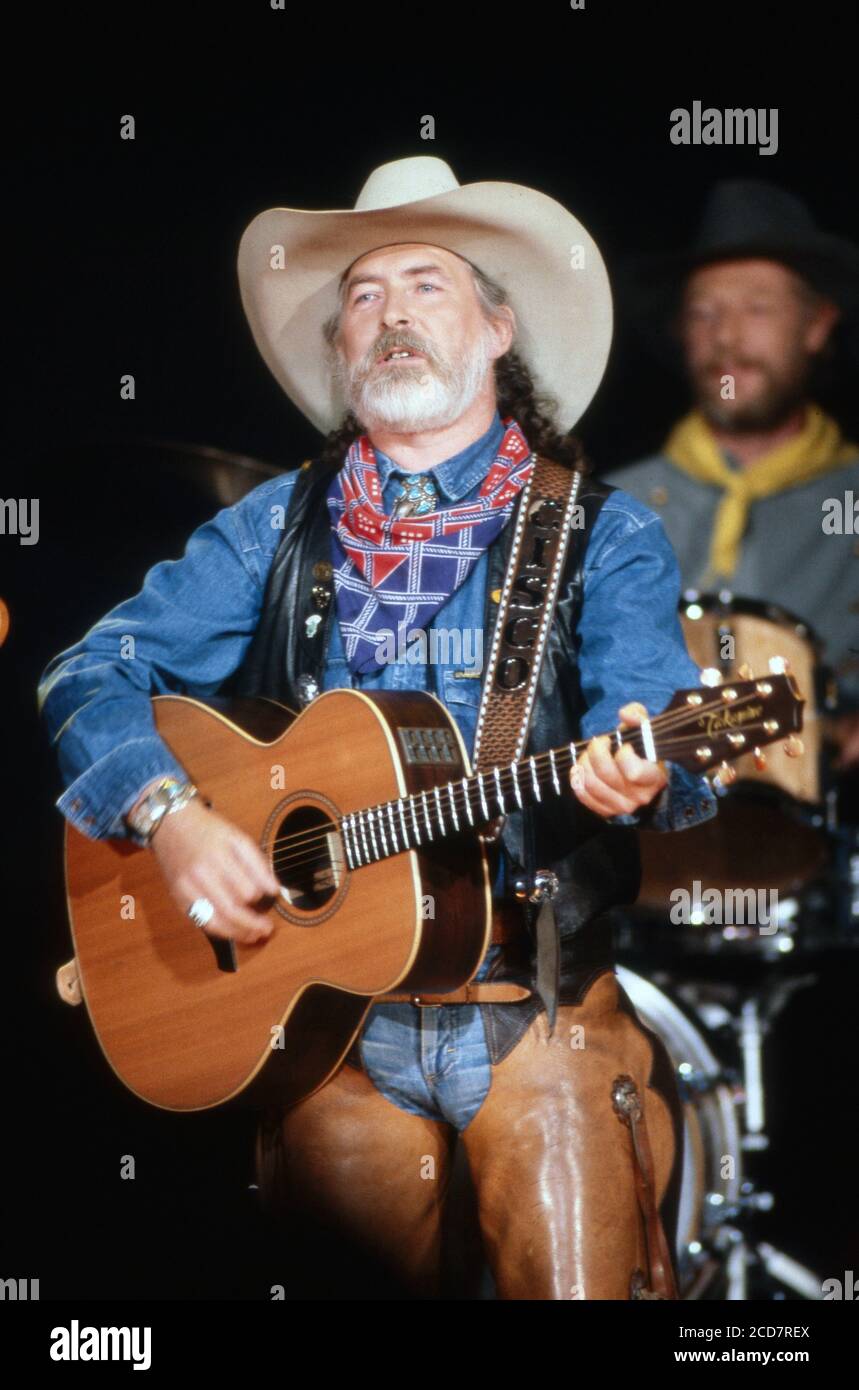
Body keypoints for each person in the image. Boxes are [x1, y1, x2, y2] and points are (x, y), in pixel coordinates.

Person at [38, 156, 717, 1300]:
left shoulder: (603, 531)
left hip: (530, 1016)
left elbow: (661, 729)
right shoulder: (274, 525)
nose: (391, 312)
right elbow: (84, 668)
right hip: (323, 1029)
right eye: (363, 296)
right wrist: (168, 816)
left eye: (427, 284)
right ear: (343, 350)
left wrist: (637, 771)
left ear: (497, 330)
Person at [603, 179, 859, 767]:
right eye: (704, 313)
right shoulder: (617, 506)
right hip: (657, 837)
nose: (727, 337)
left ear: (817, 325)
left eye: (758, 308)